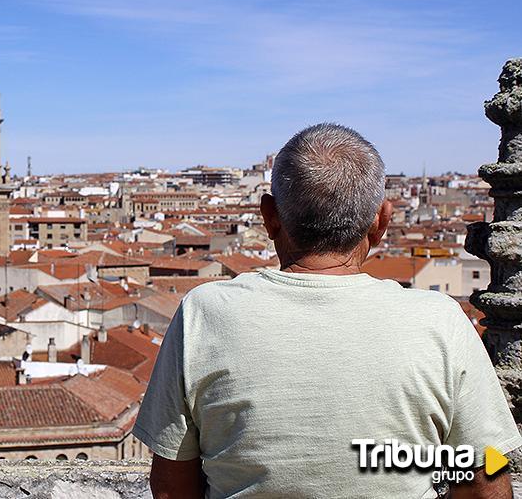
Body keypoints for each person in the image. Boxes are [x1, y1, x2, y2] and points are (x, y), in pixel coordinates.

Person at [134, 123, 521, 498]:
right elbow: (485, 483)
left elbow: (171, 486)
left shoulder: (204, 314)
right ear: (381, 221)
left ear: (270, 217)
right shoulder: (441, 321)